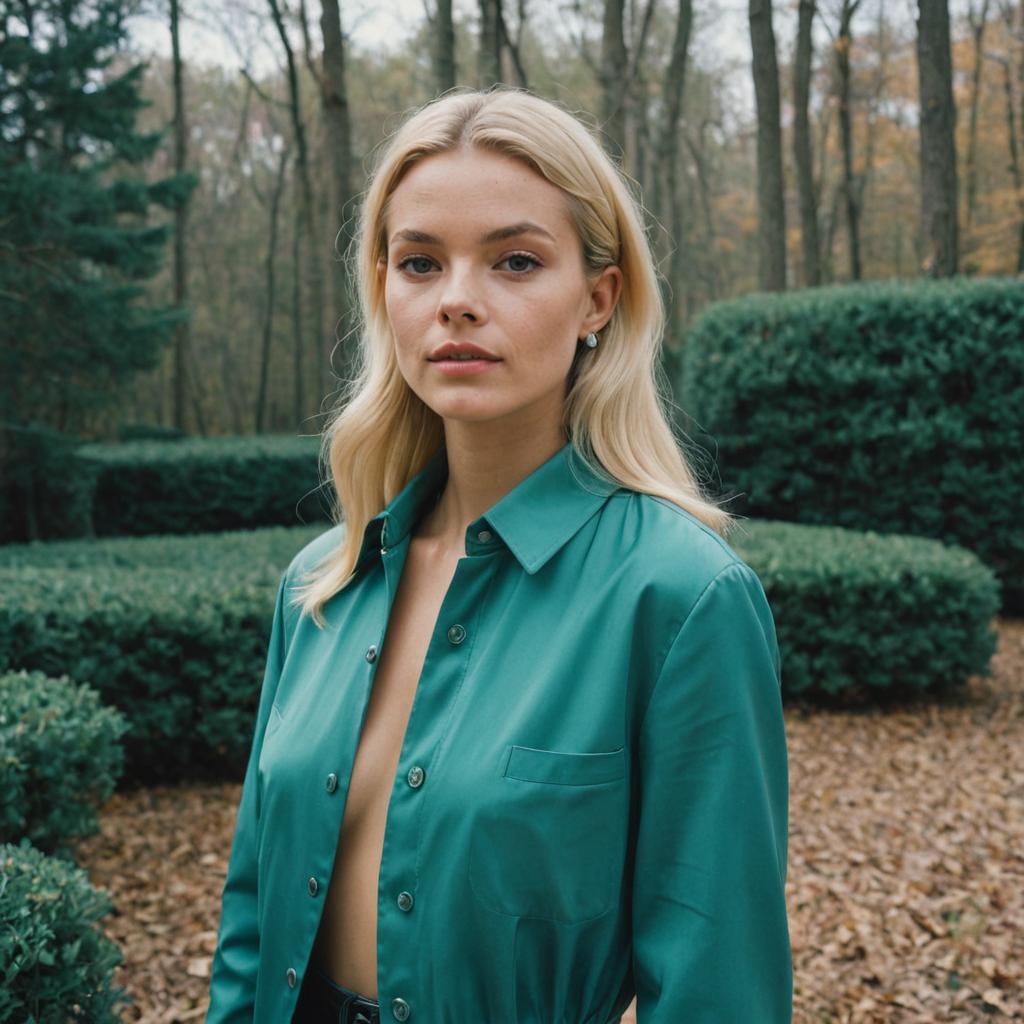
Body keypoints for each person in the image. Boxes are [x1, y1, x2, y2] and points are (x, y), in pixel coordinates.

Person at [205, 85, 792, 1024]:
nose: (458, 303)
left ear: (598, 298)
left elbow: (719, 983)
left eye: (516, 261)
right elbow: (250, 916)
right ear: (385, 291)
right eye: (419, 263)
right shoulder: (323, 582)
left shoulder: (681, 597)